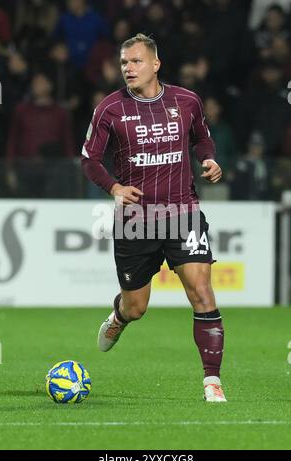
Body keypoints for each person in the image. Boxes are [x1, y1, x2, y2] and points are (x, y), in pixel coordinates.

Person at [81, 34, 226, 402]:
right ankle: (119, 318)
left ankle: (212, 381)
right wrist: (114, 188)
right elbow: (90, 160)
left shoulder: (187, 101)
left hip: (183, 213)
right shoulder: (109, 109)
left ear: (155, 64)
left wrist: (208, 159)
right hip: (136, 221)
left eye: (136, 61)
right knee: (137, 306)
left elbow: (202, 139)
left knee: (202, 291)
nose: (128, 68)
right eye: (124, 63)